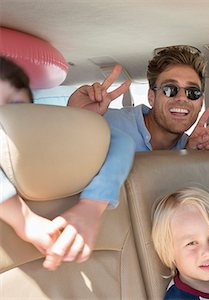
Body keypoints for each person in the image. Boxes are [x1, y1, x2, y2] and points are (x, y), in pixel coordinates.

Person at [0, 56, 135, 271]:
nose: (3, 123)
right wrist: (22, 219)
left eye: (15, 106)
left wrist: (92, 205)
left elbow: (120, 141)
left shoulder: (42, 145)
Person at [67, 45, 209, 152]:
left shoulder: (190, 146)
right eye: (170, 89)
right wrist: (76, 118)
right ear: (151, 97)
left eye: (192, 92)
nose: (181, 98)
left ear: (200, 103)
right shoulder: (107, 123)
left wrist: (188, 156)